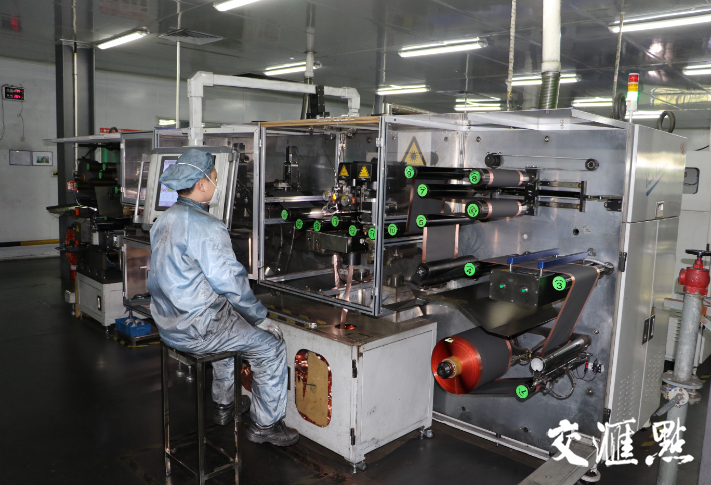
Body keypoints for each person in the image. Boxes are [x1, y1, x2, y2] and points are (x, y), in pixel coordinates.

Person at [147, 148, 299, 446]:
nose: (217, 184)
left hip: (169, 324)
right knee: (270, 347)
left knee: (229, 326)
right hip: (198, 330)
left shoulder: (164, 220)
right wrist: (259, 317)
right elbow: (230, 281)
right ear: (201, 184)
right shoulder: (208, 227)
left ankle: (223, 405)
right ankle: (265, 425)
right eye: (215, 178)